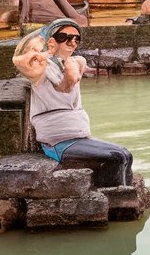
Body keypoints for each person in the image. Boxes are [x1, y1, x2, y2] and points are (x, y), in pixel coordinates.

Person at [12, 19, 133, 187]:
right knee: (116, 157)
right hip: (57, 141)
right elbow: (19, 59)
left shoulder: (69, 64)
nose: (72, 42)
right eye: (65, 37)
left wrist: (71, 63)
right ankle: (112, 200)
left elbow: (78, 64)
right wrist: (44, 47)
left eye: (76, 39)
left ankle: (125, 198)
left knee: (126, 155)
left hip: (78, 135)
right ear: (52, 41)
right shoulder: (40, 68)